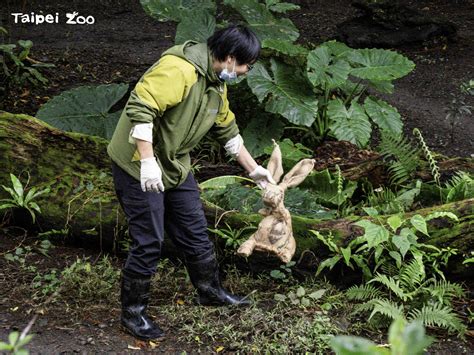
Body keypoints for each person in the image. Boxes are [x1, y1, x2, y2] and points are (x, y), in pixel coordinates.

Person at [107, 24, 275, 341]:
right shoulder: (179, 69)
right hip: (138, 164)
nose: (244, 73)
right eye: (244, 66)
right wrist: (146, 162)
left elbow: (226, 128)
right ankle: (133, 314)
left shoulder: (215, 82)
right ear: (229, 57)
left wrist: (255, 170)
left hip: (174, 163)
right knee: (149, 239)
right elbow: (141, 107)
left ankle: (210, 292)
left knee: (194, 227)